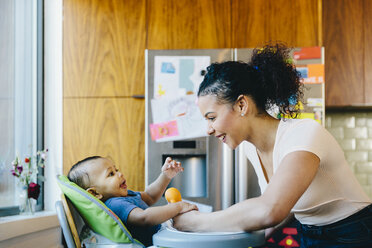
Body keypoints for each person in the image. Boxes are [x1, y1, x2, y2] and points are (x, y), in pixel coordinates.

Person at [173, 43, 372, 247]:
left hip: (354, 234)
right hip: (310, 235)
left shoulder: (303, 134)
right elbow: (278, 207)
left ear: (242, 105)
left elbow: (270, 210)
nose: (209, 129)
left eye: (211, 117)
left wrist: (196, 223)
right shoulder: (250, 148)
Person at [67, 156, 197, 246]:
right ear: (95, 193)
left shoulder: (125, 195)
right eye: (111, 174)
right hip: (158, 242)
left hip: (164, 235)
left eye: (116, 169)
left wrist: (166, 176)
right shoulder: (115, 204)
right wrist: (178, 207)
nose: (120, 174)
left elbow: (150, 196)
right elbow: (144, 218)